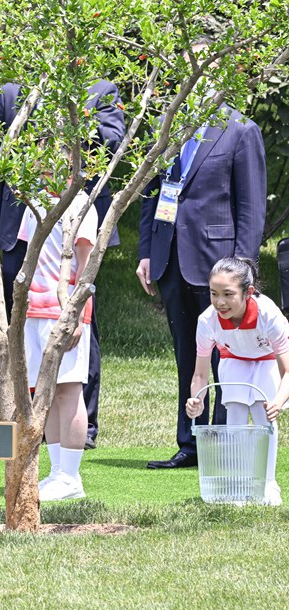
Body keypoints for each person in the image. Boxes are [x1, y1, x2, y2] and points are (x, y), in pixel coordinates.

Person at [0, 80, 125, 449]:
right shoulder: (12, 92)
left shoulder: (98, 90)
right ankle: (48, 457)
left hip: (67, 298)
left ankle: (78, 448)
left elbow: (113, 143)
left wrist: (75, 116)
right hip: (32, 272)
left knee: (69, 381)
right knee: (40, 383)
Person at [137, 104, 266, 469]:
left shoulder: (240, 129)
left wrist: (242, 268)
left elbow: (251, 206)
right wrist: (146, 251)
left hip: (219, 264)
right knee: (186, 355)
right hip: (171, 256)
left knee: (226, 356)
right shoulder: (168, 123)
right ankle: (190, 442)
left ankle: (224, 443)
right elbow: (153, 191)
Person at [20, 183, 98, 501]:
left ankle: (71, 476)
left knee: (69, 389)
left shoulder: (81, 204)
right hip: (34, 310)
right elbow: (31, 255)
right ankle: (56, 473)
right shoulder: (34, 200)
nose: (47, 158)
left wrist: (77, 314)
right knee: (45, 391)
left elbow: (86, 266)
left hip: (64, 310)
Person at [186, 258, 285, 505]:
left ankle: (268, 484)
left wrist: (278, 401)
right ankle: (239, 485)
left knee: (264, 417)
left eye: (228, 294)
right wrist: (196, 399)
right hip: (234, 360)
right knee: (236, 415)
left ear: (248, 292)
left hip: (267, 360)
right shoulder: (207, 321)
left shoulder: (268, 314)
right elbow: (200, 374)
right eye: (214, 293)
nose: (220, 302)